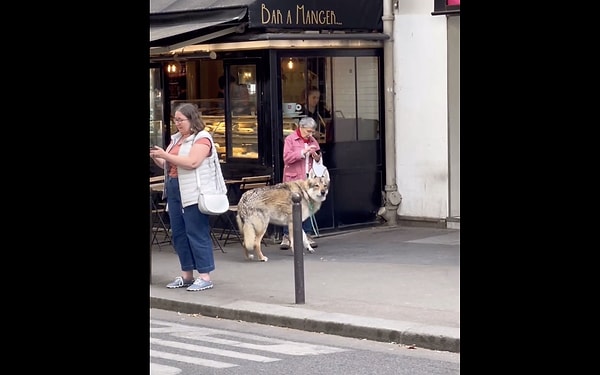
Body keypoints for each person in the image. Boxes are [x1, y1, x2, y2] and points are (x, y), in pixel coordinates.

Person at [149, 103, 217, 292]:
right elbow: (167, 164)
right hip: (173, 187)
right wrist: (157, 156)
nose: (177, 123)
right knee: (179, 233)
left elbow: (192, 162)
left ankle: (204, 275)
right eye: (175, 120)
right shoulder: (176, 139)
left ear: (191, 119)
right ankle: (187, 274)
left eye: (180, 120)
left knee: (196, 231)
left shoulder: (202, 138)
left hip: (193, 191)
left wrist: (166, 156)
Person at [280, 116, 322, 250]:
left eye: (312, 132)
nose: (310, 134)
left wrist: (316, 156)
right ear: (301, 127)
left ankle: (307, 234)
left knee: (308, 206)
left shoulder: (313, 140)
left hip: (308, 179)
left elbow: (319, 156)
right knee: (290, 207)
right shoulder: (290, 139)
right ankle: (287, 236)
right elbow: (286, 158)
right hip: (293, 179)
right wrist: (302, 152)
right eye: (308, 131)